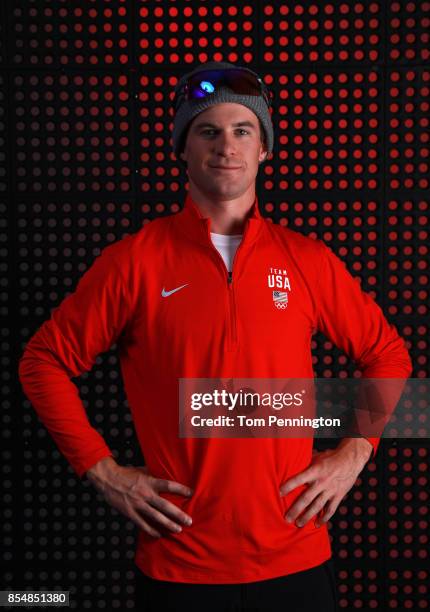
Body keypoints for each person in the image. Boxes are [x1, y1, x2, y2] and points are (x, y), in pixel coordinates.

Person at [18, 61, 412, 612]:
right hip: (179, 564)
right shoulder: (134, 261)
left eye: (243, 130)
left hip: (295, 558)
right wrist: (103, 471)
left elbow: (387, 354)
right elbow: (42, 361)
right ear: (182, 147)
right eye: (208, 130)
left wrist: (354, 451)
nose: (226, 145)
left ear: (264, 150)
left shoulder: (308, 260)